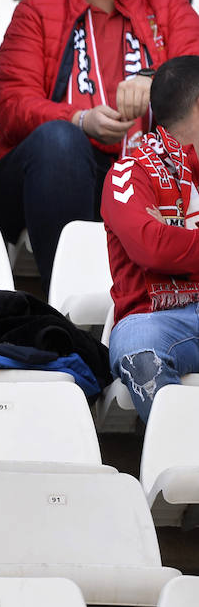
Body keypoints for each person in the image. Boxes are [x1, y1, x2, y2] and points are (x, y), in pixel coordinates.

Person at [0, 0, 199, 290]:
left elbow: (194, 71)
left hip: (147, 172)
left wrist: (155, 82)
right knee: (60, 140)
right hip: (50, 171)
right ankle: (67, 302)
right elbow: (8, 105)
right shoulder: (37, 10)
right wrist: (79, 120)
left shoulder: (171, 4)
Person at [103, 55, 199, 422]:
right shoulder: (130, 172)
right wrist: (166, 240)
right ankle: (179, 462)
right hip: (158, 320)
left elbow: (164, 244)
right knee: (138, 346)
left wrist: (176, 237)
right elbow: (152, 248)